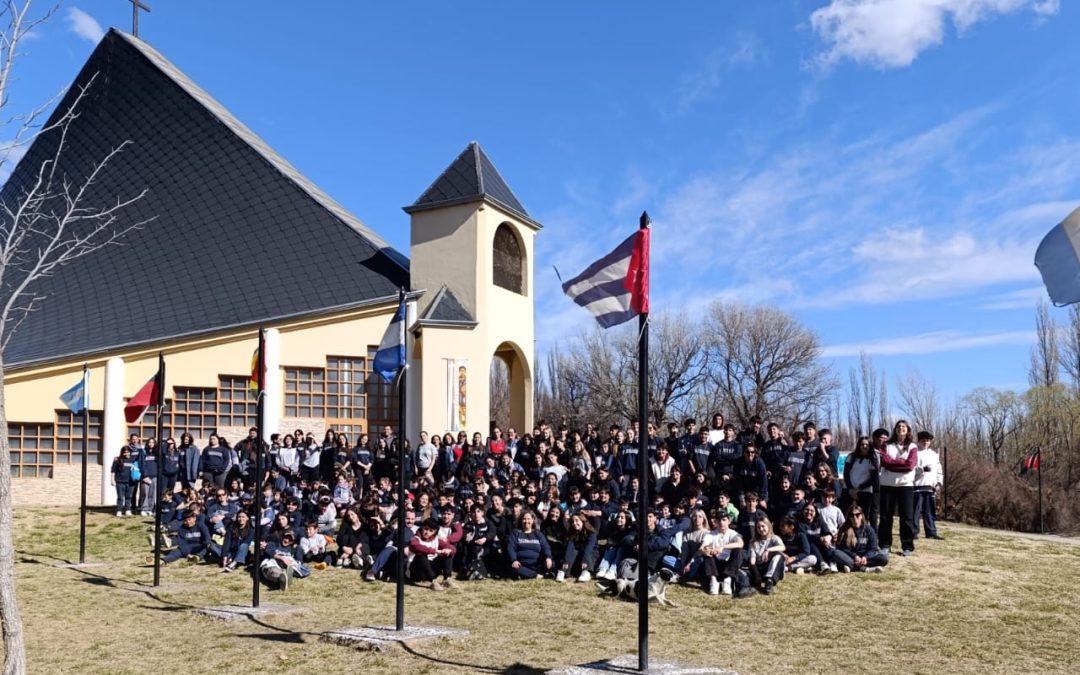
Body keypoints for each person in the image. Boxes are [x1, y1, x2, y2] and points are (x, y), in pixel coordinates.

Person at [880, 420, 918, 556]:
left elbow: (910, 465)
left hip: (905, 485)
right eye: (898, 426)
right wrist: (900, 463)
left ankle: (907, 546)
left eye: (904, 427)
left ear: (908, 430)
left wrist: (893, 464)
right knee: (885, 516)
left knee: (907, 517)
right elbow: (884, 461)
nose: (901, 429)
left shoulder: (913, 447)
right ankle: (884, 544)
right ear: (895, 429)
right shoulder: (886, 445)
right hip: (887, 485)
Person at [833, 507, 888, 572]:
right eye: (852, 515)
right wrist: (855, 556)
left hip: (865, 558)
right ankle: (864, 569)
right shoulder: (845, 529)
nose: (854, 517)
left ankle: (851, 567)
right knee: (835, 553)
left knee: (883, 558)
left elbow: (873, 548)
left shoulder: (869, 530)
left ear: (861, 516)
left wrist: (865, 557)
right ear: (849, 517)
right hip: (851, 557)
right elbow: (842, 548)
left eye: (857, 515)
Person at [408, 517, 455, 590]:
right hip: (417, 571)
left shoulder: (436, 539)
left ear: (435, 532)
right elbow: (416, 546)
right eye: (426, 529)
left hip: (431, 569)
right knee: (421, 555)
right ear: (422, 527)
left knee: (447, 552)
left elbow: (452, 548)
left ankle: (446, 579)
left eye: (431, 531)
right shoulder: (416, 538)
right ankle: (433, 582)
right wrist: (435, 551)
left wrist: (449, 550)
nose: (427, 532)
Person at [913, 431, 943, 540]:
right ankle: (913, 532)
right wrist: (921, 470)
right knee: (915, 511)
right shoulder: (914, 452)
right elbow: (911, 469)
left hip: (930, 487)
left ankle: (931, 532)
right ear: (919, 441)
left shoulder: (934, 455)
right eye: (923, 440)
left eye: (927, 441)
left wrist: (939, 483)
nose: (925, 442)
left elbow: (938, 470)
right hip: (917, 486)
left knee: (930, 511)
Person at [507, 510, 552, 580]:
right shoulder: (515, 533)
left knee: (552, 563)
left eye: (529, 519)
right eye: (524, 519)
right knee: (514, 568)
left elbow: (545, 546)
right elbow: (510, 547)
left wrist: (548, 557)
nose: (526, 521)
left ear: (533, 520)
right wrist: (514, 560)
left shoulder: (538, 533)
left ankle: (526, 575)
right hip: (521, 565)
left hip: (536, 564)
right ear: (521, 520)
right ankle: (537, 576)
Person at [747, 517, 785, 595]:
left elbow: (783, 547)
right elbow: (752, 560)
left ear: (768, 526)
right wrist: (756, 574)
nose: (761, 529)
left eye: (763, 526)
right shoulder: (753, 541)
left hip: (773, 567)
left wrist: (768, 550)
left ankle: (769, 581)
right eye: (758, 527)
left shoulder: (774, 538)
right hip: (760, 567)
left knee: (779, 555)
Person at [557, 512, 597, 582]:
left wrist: (585, 559)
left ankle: (586, 572)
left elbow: (589, 547)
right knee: (572, 551)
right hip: (578, 554)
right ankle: (563, 571)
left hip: (590, 553)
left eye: (577, 520)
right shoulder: (572, 533)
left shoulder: (591, 533)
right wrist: (566, 561)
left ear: (583, 520)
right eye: (572, 521)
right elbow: (570, 547)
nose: (574, 523)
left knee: (588, 552)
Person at [111, 446, 138, 517]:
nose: (126, 454)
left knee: (129, 496)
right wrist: (112, 480)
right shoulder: (118, 460)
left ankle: (127, 510)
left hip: (130, 482)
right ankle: (119, 510)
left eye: (127, 452)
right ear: (122, 453)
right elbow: (113, 471)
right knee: (120, 497)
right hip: (120, 481)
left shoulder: (133, 460)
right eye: (124, 452)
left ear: (130, 452)